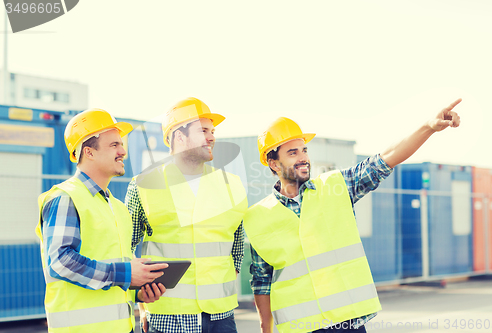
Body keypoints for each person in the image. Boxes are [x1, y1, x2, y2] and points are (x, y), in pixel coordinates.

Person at [244, 99, 462, 333]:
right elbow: (262, 281)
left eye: (304, 150)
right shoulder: (257, 217)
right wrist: (265, 329)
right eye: (293, 152)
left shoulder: (336, 186)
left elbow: (386, 158)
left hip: (346, 322)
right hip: (300, 327)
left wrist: (428, 126)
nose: (303, 158)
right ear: (273, 162)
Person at [36, 108, 169, 333]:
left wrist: (137, 290)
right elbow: (60, 261)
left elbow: (113, 272)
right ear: (89, 152)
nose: (123, 151)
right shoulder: (65, 198)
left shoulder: (117, 207)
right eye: (114, 145)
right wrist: (126, 274)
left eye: (121, 144)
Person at [125, 97, 248, 333]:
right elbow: (122, 246)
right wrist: (138, 292)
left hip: (221, 316)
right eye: (203, 130)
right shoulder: (143, 185)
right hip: (169, 317)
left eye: (212, 131)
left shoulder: (231, 184)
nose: (212, 137)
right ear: (179, 136)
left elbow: (237, 245)